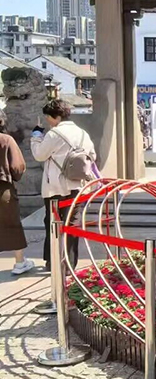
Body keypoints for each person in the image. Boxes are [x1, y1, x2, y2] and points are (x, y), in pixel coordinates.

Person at [31, 99, 96, 270]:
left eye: (48, 117)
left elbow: (39, 155)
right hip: (78, 186)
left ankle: (52, 261)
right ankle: (69, 264)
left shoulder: (54, 134)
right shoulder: (83, 133)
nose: (47, 121)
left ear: (56, 117)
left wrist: (36, 137)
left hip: (55, 188)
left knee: (52, 223)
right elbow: (92, 155)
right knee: (72, 225)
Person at [0, 113, 33, 275]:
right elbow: (17, 167)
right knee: (12, 224)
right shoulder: (6, 140)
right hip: (3, 189)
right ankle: (20, 263)